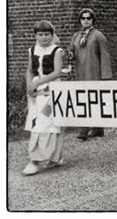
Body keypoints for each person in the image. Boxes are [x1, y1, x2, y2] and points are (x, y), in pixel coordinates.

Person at [22, 21, 66, 175]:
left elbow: (56, 72)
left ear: (52, 34)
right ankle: (44, 157)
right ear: (35, 35)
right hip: (35, 94)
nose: (43, 38)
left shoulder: (57, 50)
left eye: (46, 34)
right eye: (40, 34)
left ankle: (39, 160)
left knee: (48, 123)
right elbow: (29, 71)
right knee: (36, 123)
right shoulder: (32, 50)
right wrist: (30, 86)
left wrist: (39, 83)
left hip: (51, 92)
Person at [69, 8, 112, 141]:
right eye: (83, 18)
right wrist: (70, 54)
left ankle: (87, 129)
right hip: (80, 72)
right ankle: (94, 128)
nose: (86, 21)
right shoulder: (76, 36)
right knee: (82, 99)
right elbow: (72, 50)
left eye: (88, 18)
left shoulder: (98, 35)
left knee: (94, 100)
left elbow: (105, 56)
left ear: (93, 20)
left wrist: (105, 75)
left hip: (94, 72)